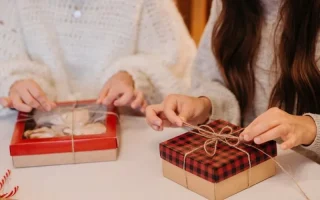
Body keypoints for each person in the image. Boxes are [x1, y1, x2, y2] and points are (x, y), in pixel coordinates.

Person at [146, 0, 320, 161]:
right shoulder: (226, 4)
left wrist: (310, 128)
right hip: (252, 167)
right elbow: (214, 81)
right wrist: (205, 106)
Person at [0, 0, 195, 115]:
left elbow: (179, 65)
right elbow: (6, 61)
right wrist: (15, 83)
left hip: (127, 135)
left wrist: (132, 76)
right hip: (34, 138)